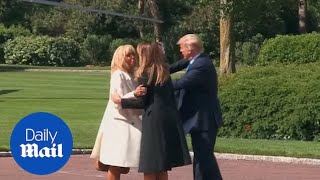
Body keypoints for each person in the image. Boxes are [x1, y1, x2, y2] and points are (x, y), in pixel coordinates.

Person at [112, 42, 191, 180]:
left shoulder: (144, 74)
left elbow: (143, 102)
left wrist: (122, 101)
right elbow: (179, 64)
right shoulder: (163, 70)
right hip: (168, 118)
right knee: (162, 163)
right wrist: (193, 56)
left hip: (153, 119)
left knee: (150, 163)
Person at [169, 34, 223, 180]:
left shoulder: (201, 65)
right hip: (201, 120)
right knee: (204, 159)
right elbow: (177, 65)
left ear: (190, 49)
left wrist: (158, 84)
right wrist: (159, 71)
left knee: (203, 160)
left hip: (204, 121)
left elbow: (181, 83)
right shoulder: (198, 59)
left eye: (181, 48)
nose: (180, 51)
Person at [90, 44, 146, 180]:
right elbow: (117, 99)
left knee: (122, 163)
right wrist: (134, 93)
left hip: (129, 120)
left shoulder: (130, 75)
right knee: (117, 163)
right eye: (128, 55)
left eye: (133, 54)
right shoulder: (118, 75)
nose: (132, 57)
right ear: (121, 58)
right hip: (120, 123)